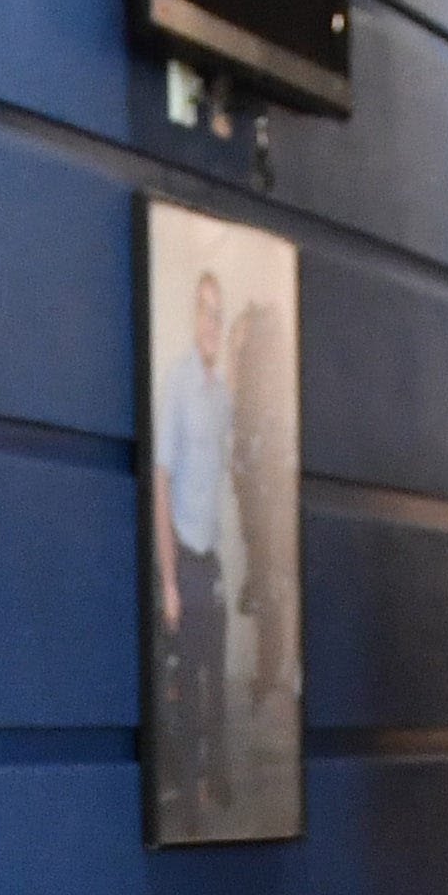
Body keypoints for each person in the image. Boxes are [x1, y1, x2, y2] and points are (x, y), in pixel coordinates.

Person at [151, 262, 240, 814]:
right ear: (192, 318)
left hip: (212, 560)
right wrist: (168, 583)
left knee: (217, 684)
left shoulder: (223, 398)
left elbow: (222, 480)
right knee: (186, 689)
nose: (212, 323)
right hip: (182, 557)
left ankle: (220, 785)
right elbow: (161, 486)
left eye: (219, 315)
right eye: (205, 312)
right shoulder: (177, 386)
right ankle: (187, 795)